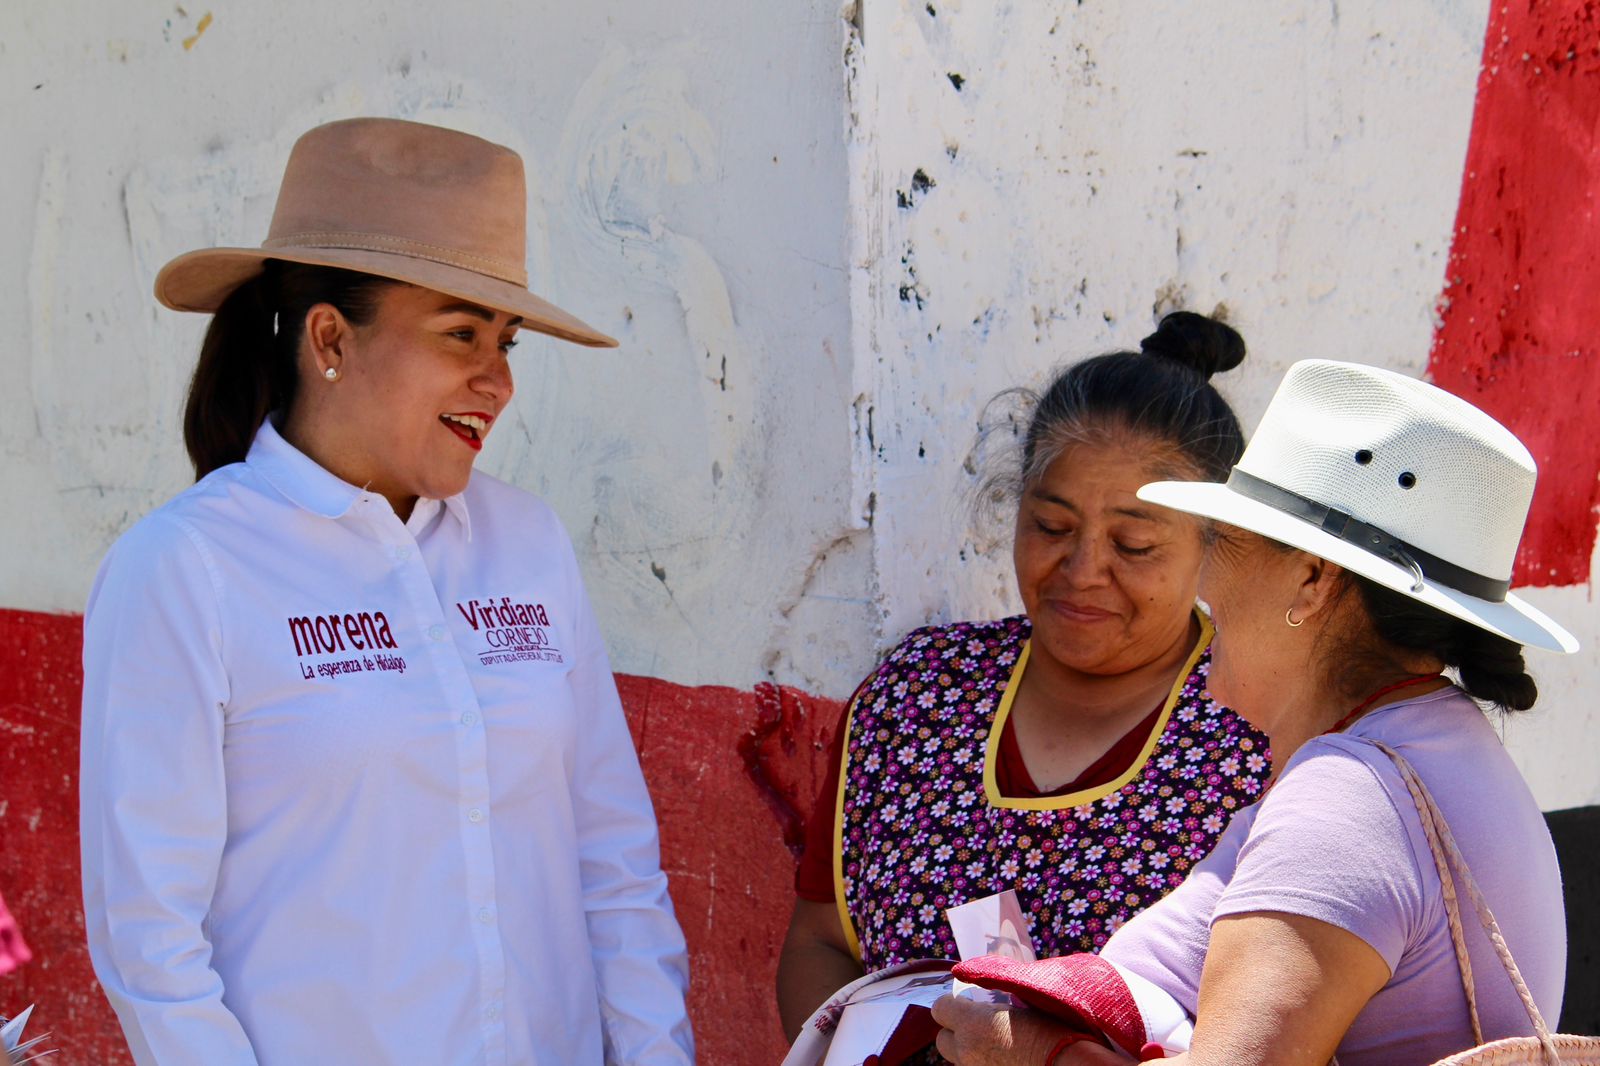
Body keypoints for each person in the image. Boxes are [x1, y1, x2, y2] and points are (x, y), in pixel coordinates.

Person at [79, 118, 694, 1065]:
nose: (498, 381)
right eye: (461, 334)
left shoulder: (528, 544)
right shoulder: (185, 569)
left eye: (508, 342)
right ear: (330, 337)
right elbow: (150, 942)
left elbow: (613, 865)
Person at [930, 359, 1575, 1065]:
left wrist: (1032, 1053)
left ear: (1311, 580)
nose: (1204, 580)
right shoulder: (1421, 750)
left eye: (1225, 540)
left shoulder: (1350, 797)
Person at [777, 313, 1274, 1039]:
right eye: (1052, 527)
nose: (1083, 571)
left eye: (1134, 544)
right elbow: (822, 939)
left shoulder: (1259, 741)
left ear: (1215, 546)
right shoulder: (920, 694)